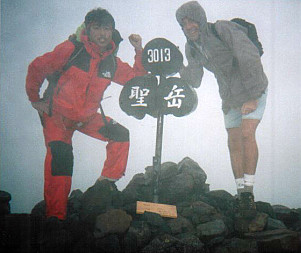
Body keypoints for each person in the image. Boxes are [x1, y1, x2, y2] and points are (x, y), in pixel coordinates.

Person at [26, 8, 146, 220]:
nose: (102, 34)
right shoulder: (71, 49)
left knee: (120, 135)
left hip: (87, 118)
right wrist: (35, 99)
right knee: (61, 161)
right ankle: (56, 219)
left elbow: (136, 79)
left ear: (112, 31)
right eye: (97, 28)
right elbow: (37, 67)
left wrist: (139, 51)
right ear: (88, 29)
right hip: (58, 118)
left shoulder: (112, 63)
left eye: (107, 28)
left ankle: (105, 184)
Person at [176, 1, 268, 216]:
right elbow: (195, 79)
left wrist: (253, 97)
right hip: (229, 98)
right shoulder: (191, 47)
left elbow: (249, 57)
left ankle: (249, 193)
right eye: (183, 23)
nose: (189, 26)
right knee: (233, 142)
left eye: (192, 20)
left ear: (200, 18)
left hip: (253, 89)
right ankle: (241, 193)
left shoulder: (223, 29)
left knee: (246, 135)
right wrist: (177, 64)